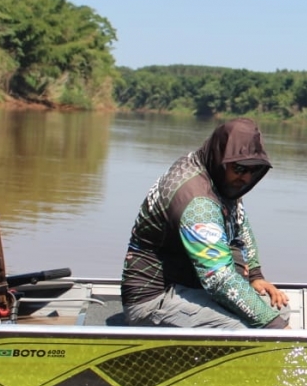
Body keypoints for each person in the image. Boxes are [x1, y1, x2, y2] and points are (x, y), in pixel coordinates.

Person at [121, 118, 290, 329]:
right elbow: (219, 279)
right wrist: (275, 328)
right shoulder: (197, 201)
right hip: (154, 301)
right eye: (239, 168)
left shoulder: (216, 175)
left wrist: (255, 275)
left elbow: (240, 224)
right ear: (221, 158)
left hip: (189, 286)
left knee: (278, 308)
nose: (246, 177)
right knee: (256, 328)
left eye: (253, 170)